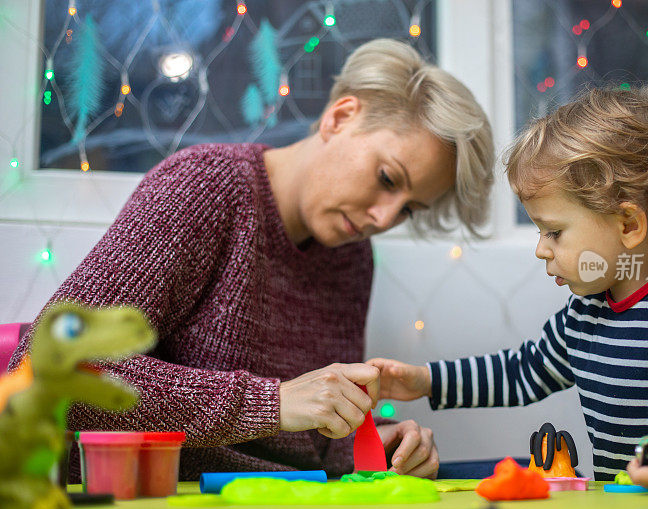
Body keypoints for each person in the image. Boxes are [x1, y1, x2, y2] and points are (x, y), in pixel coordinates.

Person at [8, 39, 494, 481]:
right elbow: (48, 363)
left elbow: (307, 442)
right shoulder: (203, 189)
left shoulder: (351, 256)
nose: (384, 217)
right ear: (341, 117)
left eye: (409, 208)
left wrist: (372, 452)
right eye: (388, 178)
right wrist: (270, 402)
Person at [368, 84, 648, 492]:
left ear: (628, 224)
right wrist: (425, 381)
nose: (541, 250)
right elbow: (523, 372)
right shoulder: (586, 313)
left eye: (554, 232)